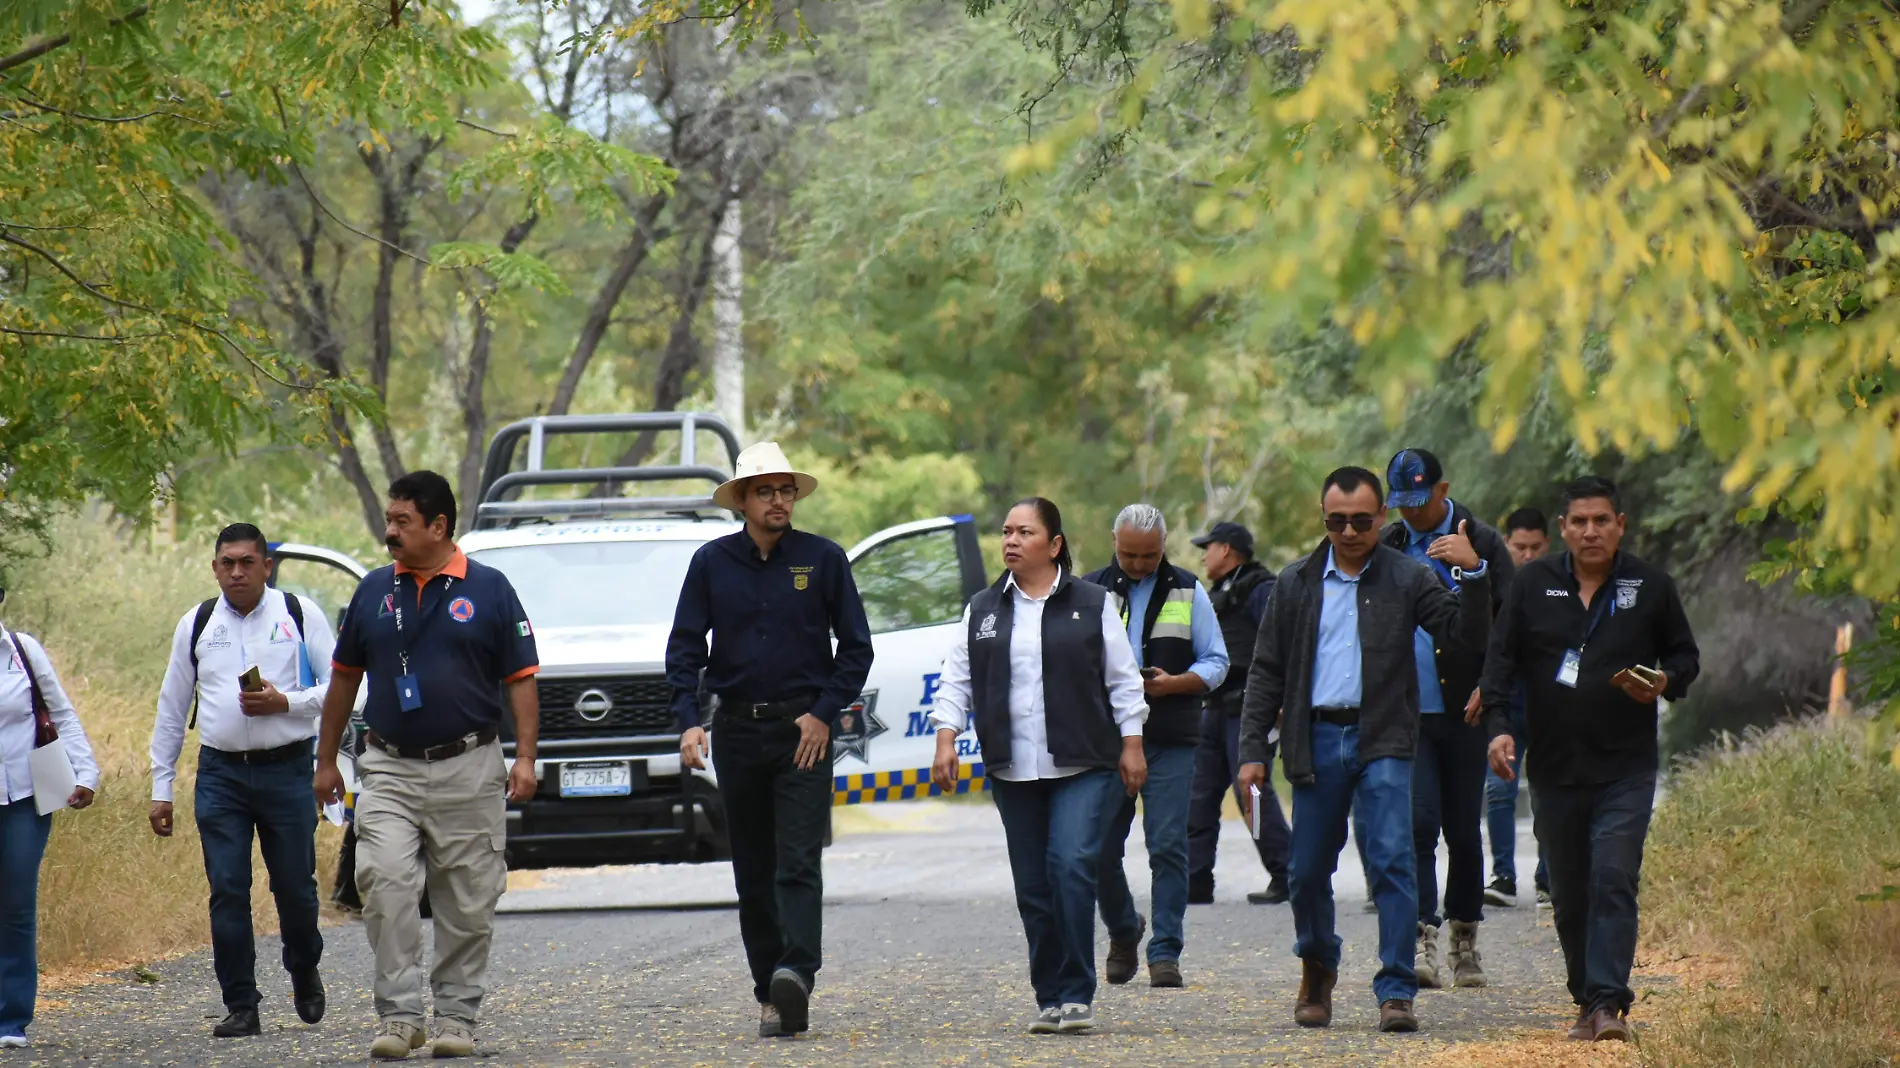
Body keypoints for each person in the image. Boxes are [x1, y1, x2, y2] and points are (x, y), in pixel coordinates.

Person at [1237, 466, 1492, 1034]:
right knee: (1304, 871)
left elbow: (1462, 637)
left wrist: (1473, 574)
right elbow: (1266, 671)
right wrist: (1251, 747)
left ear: (1381, 517)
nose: (1349, 532)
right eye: (1336, 521)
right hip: (1316, 739)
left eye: (1360, 520)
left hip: (1384, 737)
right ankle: (1317, 966)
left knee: (1393, 862)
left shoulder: (1408, 576)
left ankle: (1397, 988)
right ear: (1323, 520)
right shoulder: (1296, 582)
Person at [313, 472, 541, 1061]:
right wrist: (326, 761)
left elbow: (522, 682)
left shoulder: (491, 590)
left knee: (466, 901)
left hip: (470, 765)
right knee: (384, 885)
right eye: (389, 520)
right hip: (387, 767)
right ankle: (401, 1017)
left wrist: (524, 757)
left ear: (439, 526)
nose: (389, 532)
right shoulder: (371, 592)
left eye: (402, 522)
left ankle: (458, 1019)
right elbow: (342, 680)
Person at [667, 442, 874, 1040]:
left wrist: (822, 714)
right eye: (766, 491)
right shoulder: (711, 563)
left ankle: (797, 972)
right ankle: (771, 993)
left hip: (802, 733)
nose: (779, 500)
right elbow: (684, 650)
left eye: (786, 490)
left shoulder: (824, 559)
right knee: (753, 870)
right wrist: (688, 719)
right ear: (742, 501)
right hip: (735, 730)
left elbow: (855, 649)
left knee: (798, 862)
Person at [1482, 476, 1699, 1043]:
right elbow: (1500, 665)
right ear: (1563, 529)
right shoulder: (1532, 584)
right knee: (1570, 889)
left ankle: (1608, 1003)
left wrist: (1665, 680)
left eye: (1602, 520)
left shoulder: (1650, 585)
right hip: (1553, 766)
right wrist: (1499, 730)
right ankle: (1586, 996)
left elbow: (1684, 656)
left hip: (1625, 766)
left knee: (1612, 875)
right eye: (1579, 521)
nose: (1591, 531)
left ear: (1620, 525)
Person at [928, 498, 1148, 1035]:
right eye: (1005, 531)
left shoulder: (1092, 603)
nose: (1010, 541)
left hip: (1085, 763)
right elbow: (956, 680)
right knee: (1034, 887)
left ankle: (1076, 993)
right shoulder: (982, 608)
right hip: (1012, 768)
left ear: (1052, 545)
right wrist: (946, 738)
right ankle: (1048, 996)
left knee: (1071, 866)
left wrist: (1132, 743)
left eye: (1024, 532)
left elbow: (1123, 680)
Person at [150, 523, 335, 1038]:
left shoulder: (298, 614)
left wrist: (286, 703)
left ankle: (303, 965)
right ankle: (241, 1003)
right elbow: (171, 709)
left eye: (247, 562)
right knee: (228, 888)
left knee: (295, 887)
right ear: (214, 568)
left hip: (288, 769)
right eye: (227, 563)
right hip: (221, 775)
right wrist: (160, 788)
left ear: (266, 566)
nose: (237, 572)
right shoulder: (198, 623)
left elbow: (344, 689)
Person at [1380, 450, 1514, 990]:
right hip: (1406, 712)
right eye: (1403, 505)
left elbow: (1512, 623)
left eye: (1421, 501)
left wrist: (1490, 682)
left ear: (1444, 489)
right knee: (1417, 825)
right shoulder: (1387, 545)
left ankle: (1465, 936)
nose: (1412, 514)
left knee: (1462, 827)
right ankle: (1420, 933)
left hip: (1465, 708)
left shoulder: (1482, 540)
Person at [1085, 504, 1227, 989]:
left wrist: (1178, 683)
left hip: (1171, 737)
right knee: (1098, 845)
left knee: (1168, 847)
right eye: (1129, 554)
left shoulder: (1189, 589)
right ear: (1113, 541)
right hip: (1105, 740)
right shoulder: (1087, 590)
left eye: (1149, 555)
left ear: (1163, 547)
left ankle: (1165, 951)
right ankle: (1124, 930)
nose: (1139, 565)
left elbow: (1217, 661)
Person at [0, 585, 98, 1050]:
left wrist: (86, 773)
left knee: (16, 905)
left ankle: (11, 1018)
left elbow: (62, 712)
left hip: (23, 796)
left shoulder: (21, 651)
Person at [1184, 521, 1288, 907]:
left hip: (1249, 710)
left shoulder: (1262, 589)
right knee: (1198, 796)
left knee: (1253, 794)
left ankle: (1285, 872)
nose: (1203, 555)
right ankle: (1195, 880)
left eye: (1207, 547)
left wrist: (1281, 701)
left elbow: (1281, 646)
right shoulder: (1215, 595)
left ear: (1226, 550)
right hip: (1213, 709)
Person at [1482, 507, 1551, 910]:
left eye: (1535, 547)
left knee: (1546, 792)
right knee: (1498, 789)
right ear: (1507, 545)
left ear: (1547, 545)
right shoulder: (1493, 586)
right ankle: (1503, 876)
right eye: (1520, 547)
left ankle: (1548, 877)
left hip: (1547, 705)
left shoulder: (1562, 584)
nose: (1527, 555)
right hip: (1506, 703)